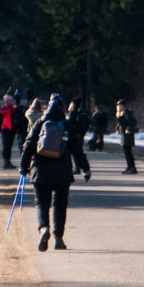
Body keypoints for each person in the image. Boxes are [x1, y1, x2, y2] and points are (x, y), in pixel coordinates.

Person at [20, 93, 86, 251]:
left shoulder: (40, 122)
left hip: (40, 170)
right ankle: (58, 238)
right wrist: (85, 168)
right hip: (62, 171)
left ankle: (44, 228)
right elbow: (77, 149)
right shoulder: (67, 124)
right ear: (62, 107)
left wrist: (23, 166)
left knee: (41, 203)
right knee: (60, 204)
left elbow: (28, 145)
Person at [65, 102, 92, 181]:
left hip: (71, 137)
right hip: (78, 136)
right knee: (78, 153)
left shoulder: (73, 114)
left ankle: (71, 169)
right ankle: (82, 169)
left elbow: (70, 124)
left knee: (69, 153)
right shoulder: (82, 114)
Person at [115, 100, 139, 173]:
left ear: (123, 106)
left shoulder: (126, 112)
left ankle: (132, 167)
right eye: (118, 105)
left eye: (120, 105)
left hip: (128, 135)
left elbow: (134, 122)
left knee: (128, 151)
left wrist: (129, 128)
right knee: (126, 151)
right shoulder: (120, 113)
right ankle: (129, 167)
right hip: (124, 134)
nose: (119, 106)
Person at [0, 94, 17, 168]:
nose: (11, 101)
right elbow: (0, 114)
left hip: (11, 130)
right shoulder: (3, 109)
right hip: (5, 130)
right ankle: (6, 162)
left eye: (12, 100)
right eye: (9, 100)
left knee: (9, 146)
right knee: (6, 147)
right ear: (6, 101)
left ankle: (8, 162)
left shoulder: (13, 109)